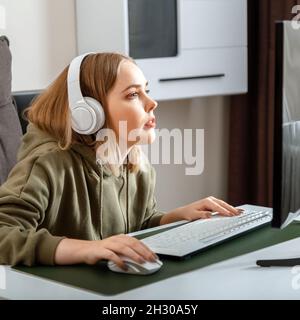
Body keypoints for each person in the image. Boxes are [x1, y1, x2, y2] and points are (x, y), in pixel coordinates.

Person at [0, 52, 241, 269]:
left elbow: (135, 226)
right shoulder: (48, 165)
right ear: (89, 112)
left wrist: (176, 217)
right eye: (134, 94)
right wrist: (86, 249)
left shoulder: (136, 164)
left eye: (147, 91)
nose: (152, 103)